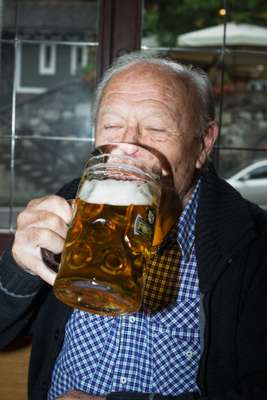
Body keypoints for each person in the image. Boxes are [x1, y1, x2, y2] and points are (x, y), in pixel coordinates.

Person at [1, 52, 267, 400]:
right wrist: (19, 269)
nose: (128, 149)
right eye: (112, 127)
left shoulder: (252, 243)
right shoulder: (71, 208)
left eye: (156, 129)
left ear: (203, 144)